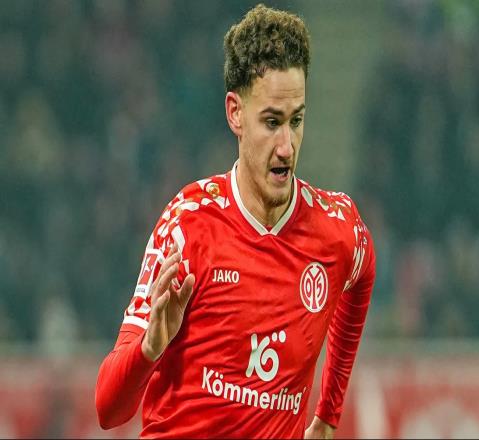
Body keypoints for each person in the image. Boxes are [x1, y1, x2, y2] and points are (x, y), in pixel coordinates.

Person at [95, 4, 376, 439]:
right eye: (272, 122)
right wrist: (149, 347)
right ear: (235, 113)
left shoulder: (336, 229)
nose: (286, 146)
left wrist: (327, 415)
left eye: (296, 121)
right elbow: (108, 409)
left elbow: (362, 273)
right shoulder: (188, 226)